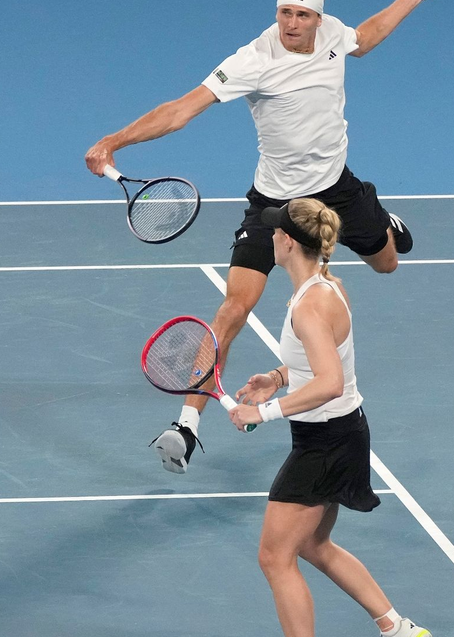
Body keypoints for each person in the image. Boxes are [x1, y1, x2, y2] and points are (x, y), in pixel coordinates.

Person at [85, 0, 427, 473]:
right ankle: (186, 425)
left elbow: (366, 37)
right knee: (233, 307)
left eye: (301, 16)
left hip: (336, 191)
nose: (290, 24)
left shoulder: (333, 36)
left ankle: (384, 224)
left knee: (387, 263)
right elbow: (181, 110)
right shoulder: (253, 60)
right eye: (283, 12)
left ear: (318, 19)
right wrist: (114, 141)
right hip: (275, 204)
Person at [228, 198, 429, 637]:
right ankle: (396, 630)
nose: (271, 235)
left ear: (288, 242)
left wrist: (264, 412)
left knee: (275, 557)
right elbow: (314, 365)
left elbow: (328, 383)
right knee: (314, 545)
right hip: (341, 434)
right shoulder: (323, 287)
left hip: (326, 443)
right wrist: (276, 379)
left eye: (276, 230)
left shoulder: (311, 306)